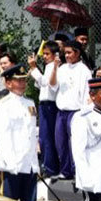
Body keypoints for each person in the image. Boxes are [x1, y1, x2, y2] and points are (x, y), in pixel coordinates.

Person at [0, 65, 39, 201]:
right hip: (12, 165)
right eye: (18, 81)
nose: (22, 84)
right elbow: (2, 137)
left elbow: (32, 133)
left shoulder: (30, 103)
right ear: (8, 83)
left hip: (29, 164)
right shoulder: (3, 105)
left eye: (24, 80)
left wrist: (34, 163)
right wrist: (12, 164)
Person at [49, 40, 92, 179]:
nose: (66, 55)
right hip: (62, 111)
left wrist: (84, 113)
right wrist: (55, 68)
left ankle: (77, 172)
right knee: (60, 142)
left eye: (69, 52)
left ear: (77, 53)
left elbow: (87, 94)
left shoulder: (84, 71)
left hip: (76, 112)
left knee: (75, 144)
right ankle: (66, 171)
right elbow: (53, 85)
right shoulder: (62, 68)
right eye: (65, 53)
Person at [28, 41, 60, 178]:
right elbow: (40, 84)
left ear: (55, 55)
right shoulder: (48, 66)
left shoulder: (55, 67)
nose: (45, 56)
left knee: (47, 137)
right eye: (44, 54)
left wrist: (34, 68)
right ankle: (47, 165)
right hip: (44, 104)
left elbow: (46, 83)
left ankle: (50, 167)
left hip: (50, 104)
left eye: (47, 54)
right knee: (43, 136)